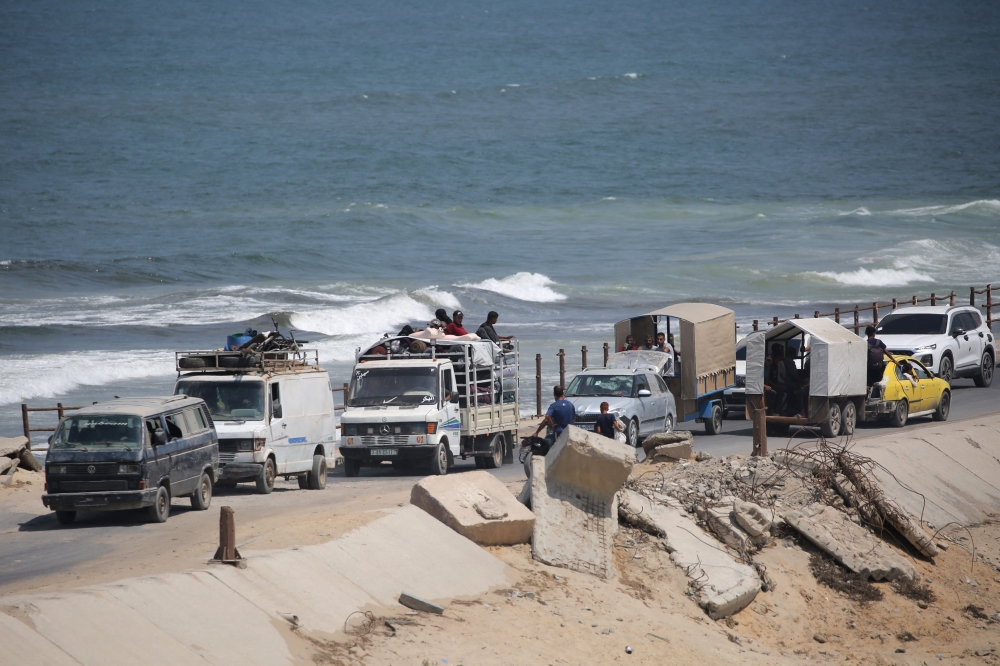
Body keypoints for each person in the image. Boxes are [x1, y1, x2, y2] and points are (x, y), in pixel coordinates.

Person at [865, 325, 898, 391]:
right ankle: (877, 394)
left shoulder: (865, 343)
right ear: (874, 333)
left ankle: (869, 394)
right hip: (879, 366)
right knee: (878, 381)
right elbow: (886, 352)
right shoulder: (878, 342)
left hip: (869, 367)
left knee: (869, 383)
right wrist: (894, 360)